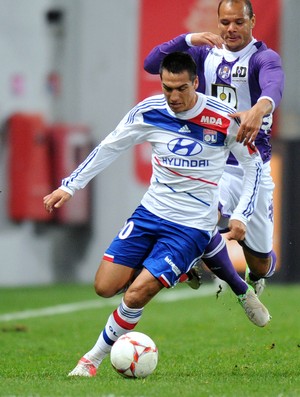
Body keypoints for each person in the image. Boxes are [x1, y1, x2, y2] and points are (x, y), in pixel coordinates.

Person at [44, 52, 268, 377]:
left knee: (136, 294)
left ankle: (90, 361)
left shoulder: (223, 119)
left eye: (181, 89)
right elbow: (110, 146)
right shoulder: (149, 111)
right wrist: (70, 186)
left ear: (195, 83)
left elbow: (254, 165)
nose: (174, 97)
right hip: (150, 213)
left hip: (192, 225)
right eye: (167, 89)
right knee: (105, 287)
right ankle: (181, 270)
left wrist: (242, 215)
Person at [144, 0, 285, 296]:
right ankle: (189, 257)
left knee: (260, 263)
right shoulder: (203, 54)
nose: (231, 29)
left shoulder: (263, 58)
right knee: (200, 214)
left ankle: (256, 272)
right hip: (214, 163)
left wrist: (260, 108)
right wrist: (186, 39)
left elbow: (274, 85)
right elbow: (152, 64)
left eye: (238, 22)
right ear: (217, 22)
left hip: (252, 169)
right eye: (225, 22)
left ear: (252, 21)